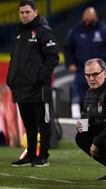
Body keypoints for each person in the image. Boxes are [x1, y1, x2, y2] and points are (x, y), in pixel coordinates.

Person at [7, 0, 59, 167]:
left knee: (43, 123)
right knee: (29, 125)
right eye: (21, 12)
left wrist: (40, 79)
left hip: (38, 88)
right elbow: (13, 60)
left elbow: (52, 58)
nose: (24, 15)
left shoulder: (44, 32)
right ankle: (30, 155)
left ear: (35, 12)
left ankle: (42, 156)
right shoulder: (18, 34)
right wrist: (11, 79)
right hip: (21, 88)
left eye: (27, 12)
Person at [63, 7, 106, 118]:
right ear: (83, 18)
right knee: (83, 101)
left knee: (104, 100)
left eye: (90, 19)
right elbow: (67, 48)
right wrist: (70, 63)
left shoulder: (104, 31)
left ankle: (103, 128)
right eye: (86, 18)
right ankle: (85, 131)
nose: (88, 21)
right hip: (82, 73)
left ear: (96, 18)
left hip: (100, 74)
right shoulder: (75, 31)